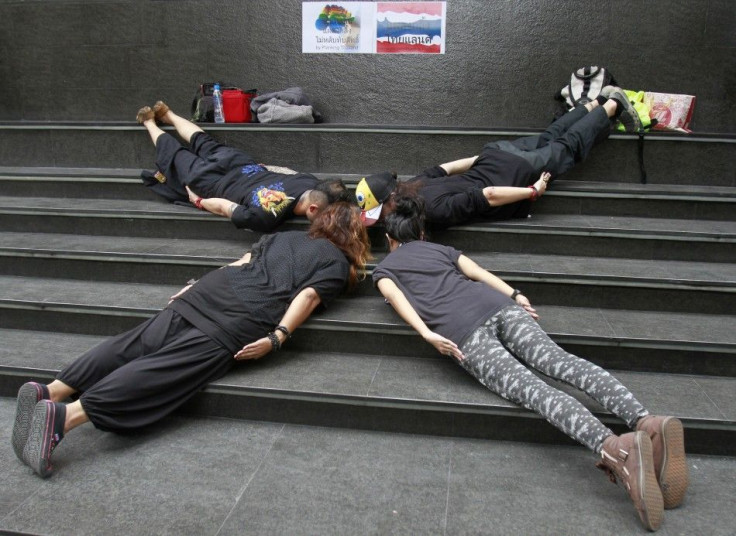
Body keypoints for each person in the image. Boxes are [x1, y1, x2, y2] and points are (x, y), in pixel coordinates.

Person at [372, 194, 688, 531]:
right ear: (420, 235)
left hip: (465, 333)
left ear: (390, 240)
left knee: (535, 390)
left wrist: (426, 333)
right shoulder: (440, 249)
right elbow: (477, 272)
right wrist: (515, 295)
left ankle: (616, 449)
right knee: (562, 363)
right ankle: (646, 421)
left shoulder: (385, 268)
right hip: (497, 306)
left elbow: (396, 297)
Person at [12, 202, 371, 478]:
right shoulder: (337, 263)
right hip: (240, 317)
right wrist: (278, 338)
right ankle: (64, 417)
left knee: (133, 344)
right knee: (164, 371)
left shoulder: (286, 236)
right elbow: (307, 297)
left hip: (212, 290)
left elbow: (240, 261)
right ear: (355, 234)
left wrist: (195, 285)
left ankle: (53, 390)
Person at [356, 87, 640, 228]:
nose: (383, 221)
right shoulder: (416, 182)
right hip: (496, 154)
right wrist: (485, 157)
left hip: (513, 172)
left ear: (391, 200)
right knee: (550, 136)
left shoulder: (430, 210)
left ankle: (613, 105)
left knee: (568, 146)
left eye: (382, 214)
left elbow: (488, 195)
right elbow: (448, 167)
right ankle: (594, 103)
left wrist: (531, 191)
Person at [136, 101, 351, 232]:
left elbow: (284, 171)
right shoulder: (267, 216)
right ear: (313, 209)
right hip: (212, 183)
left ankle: (168, 114)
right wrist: (199, 201)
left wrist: (261, 167)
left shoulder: (311, 182)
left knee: (200, 139)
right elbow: (225, 207)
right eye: (326, 216)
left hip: (239, 163)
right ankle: (149, 122)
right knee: (176, 155)